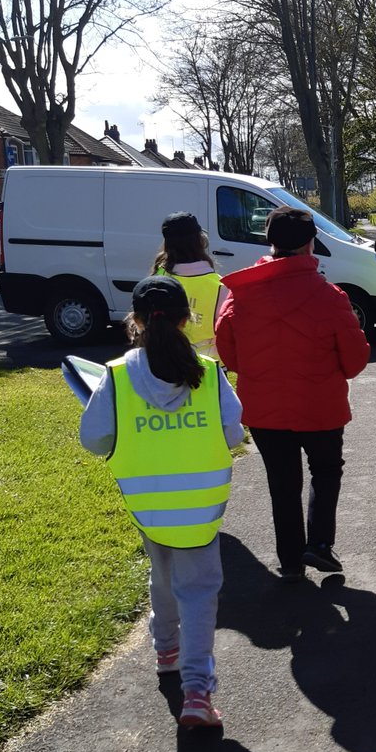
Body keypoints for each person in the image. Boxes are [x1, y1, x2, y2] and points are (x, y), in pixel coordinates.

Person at [79, 275, 244, 728]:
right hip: (201, 512)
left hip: (148, 507)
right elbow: (234, 433)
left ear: (134, 319)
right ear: (187, 319)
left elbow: (94, 440)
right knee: (198, 593)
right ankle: (197, 693)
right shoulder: (208, 373)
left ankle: (165, 649)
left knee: (162, 572)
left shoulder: (115, 376)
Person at [215, 207, 370, 579]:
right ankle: (319, 544)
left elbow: (229, 352)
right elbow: (354, 361)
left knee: (282, 484)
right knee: (326, 470)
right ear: (310, 243)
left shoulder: (241, 295)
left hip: (264, 408)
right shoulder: (329, 296)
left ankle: (289, 560)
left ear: (269, 242)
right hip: (321, 406)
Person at [152, 212, 227, 359]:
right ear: (200, 241)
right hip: (208, 368)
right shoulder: (219, 286)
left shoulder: (157, 278)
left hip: (166, 363)